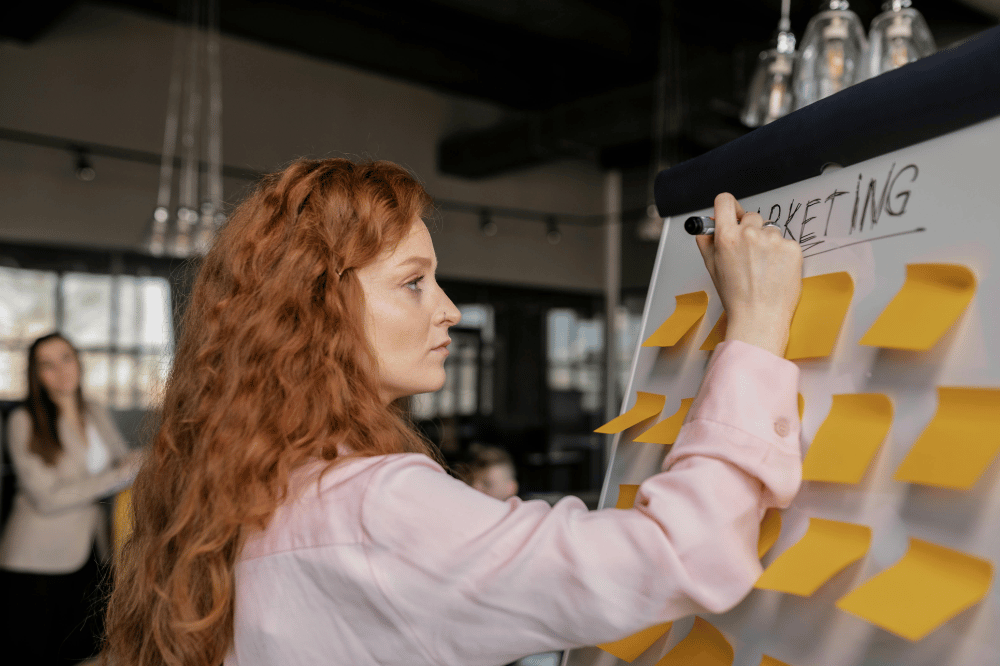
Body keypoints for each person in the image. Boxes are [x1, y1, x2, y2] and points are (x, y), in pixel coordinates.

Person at [103, 159, 803, 666]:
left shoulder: (242, 488)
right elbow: (682, 556)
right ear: (317, 310)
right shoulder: (371, 506)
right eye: (412, 283)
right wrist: (758, 329)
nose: (449, 310)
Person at [0, 333, 142, 665]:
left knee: (84, 654)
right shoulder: (24, 420)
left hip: (92, 552)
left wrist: (145, 460)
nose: (61, 371)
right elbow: (47, 497)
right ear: (37, 375)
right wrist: (119, 474)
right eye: (47, 365)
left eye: (66, 358)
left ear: (77, 360)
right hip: (36, 561)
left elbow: (123, 462)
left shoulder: (94, 410)